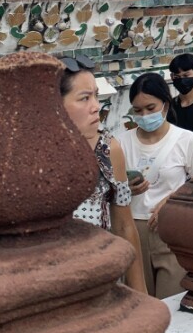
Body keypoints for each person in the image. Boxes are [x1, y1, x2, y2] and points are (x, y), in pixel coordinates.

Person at [60, 56, 146, 293]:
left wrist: (141, 296)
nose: (96, 106)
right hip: (56, 286)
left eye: (96, 95)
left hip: (101, 282)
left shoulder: (109, 149)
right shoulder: (34, 158)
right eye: (84, 98)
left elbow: (124, 226)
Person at [118, 72, 193, 298]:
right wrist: (127, 188)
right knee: (139, 300)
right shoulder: (121, 142)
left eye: (150, 108)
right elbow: (111, 188)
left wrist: (172, 199)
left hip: (169, 226)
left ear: (165, 105)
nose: (144, 115)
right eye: (137, 111)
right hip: (132, 227)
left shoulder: (186, 140)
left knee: (172, 299)